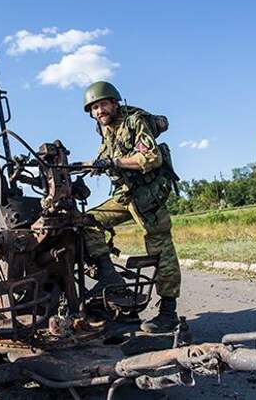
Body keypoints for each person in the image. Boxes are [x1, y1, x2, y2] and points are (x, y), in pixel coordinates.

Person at [81, 81, 181, 333]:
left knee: (161, 250)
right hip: (124, 197)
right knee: (85, 222)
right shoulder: (105, 131)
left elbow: (150, 157)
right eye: (94, 108)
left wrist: (113, 162)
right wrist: (91, 165)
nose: (99, 111)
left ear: (115, 102)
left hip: (147, 197)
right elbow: (107, 160)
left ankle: (168, 313)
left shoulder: (135, 121)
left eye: (103, 104)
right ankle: (108, 276)